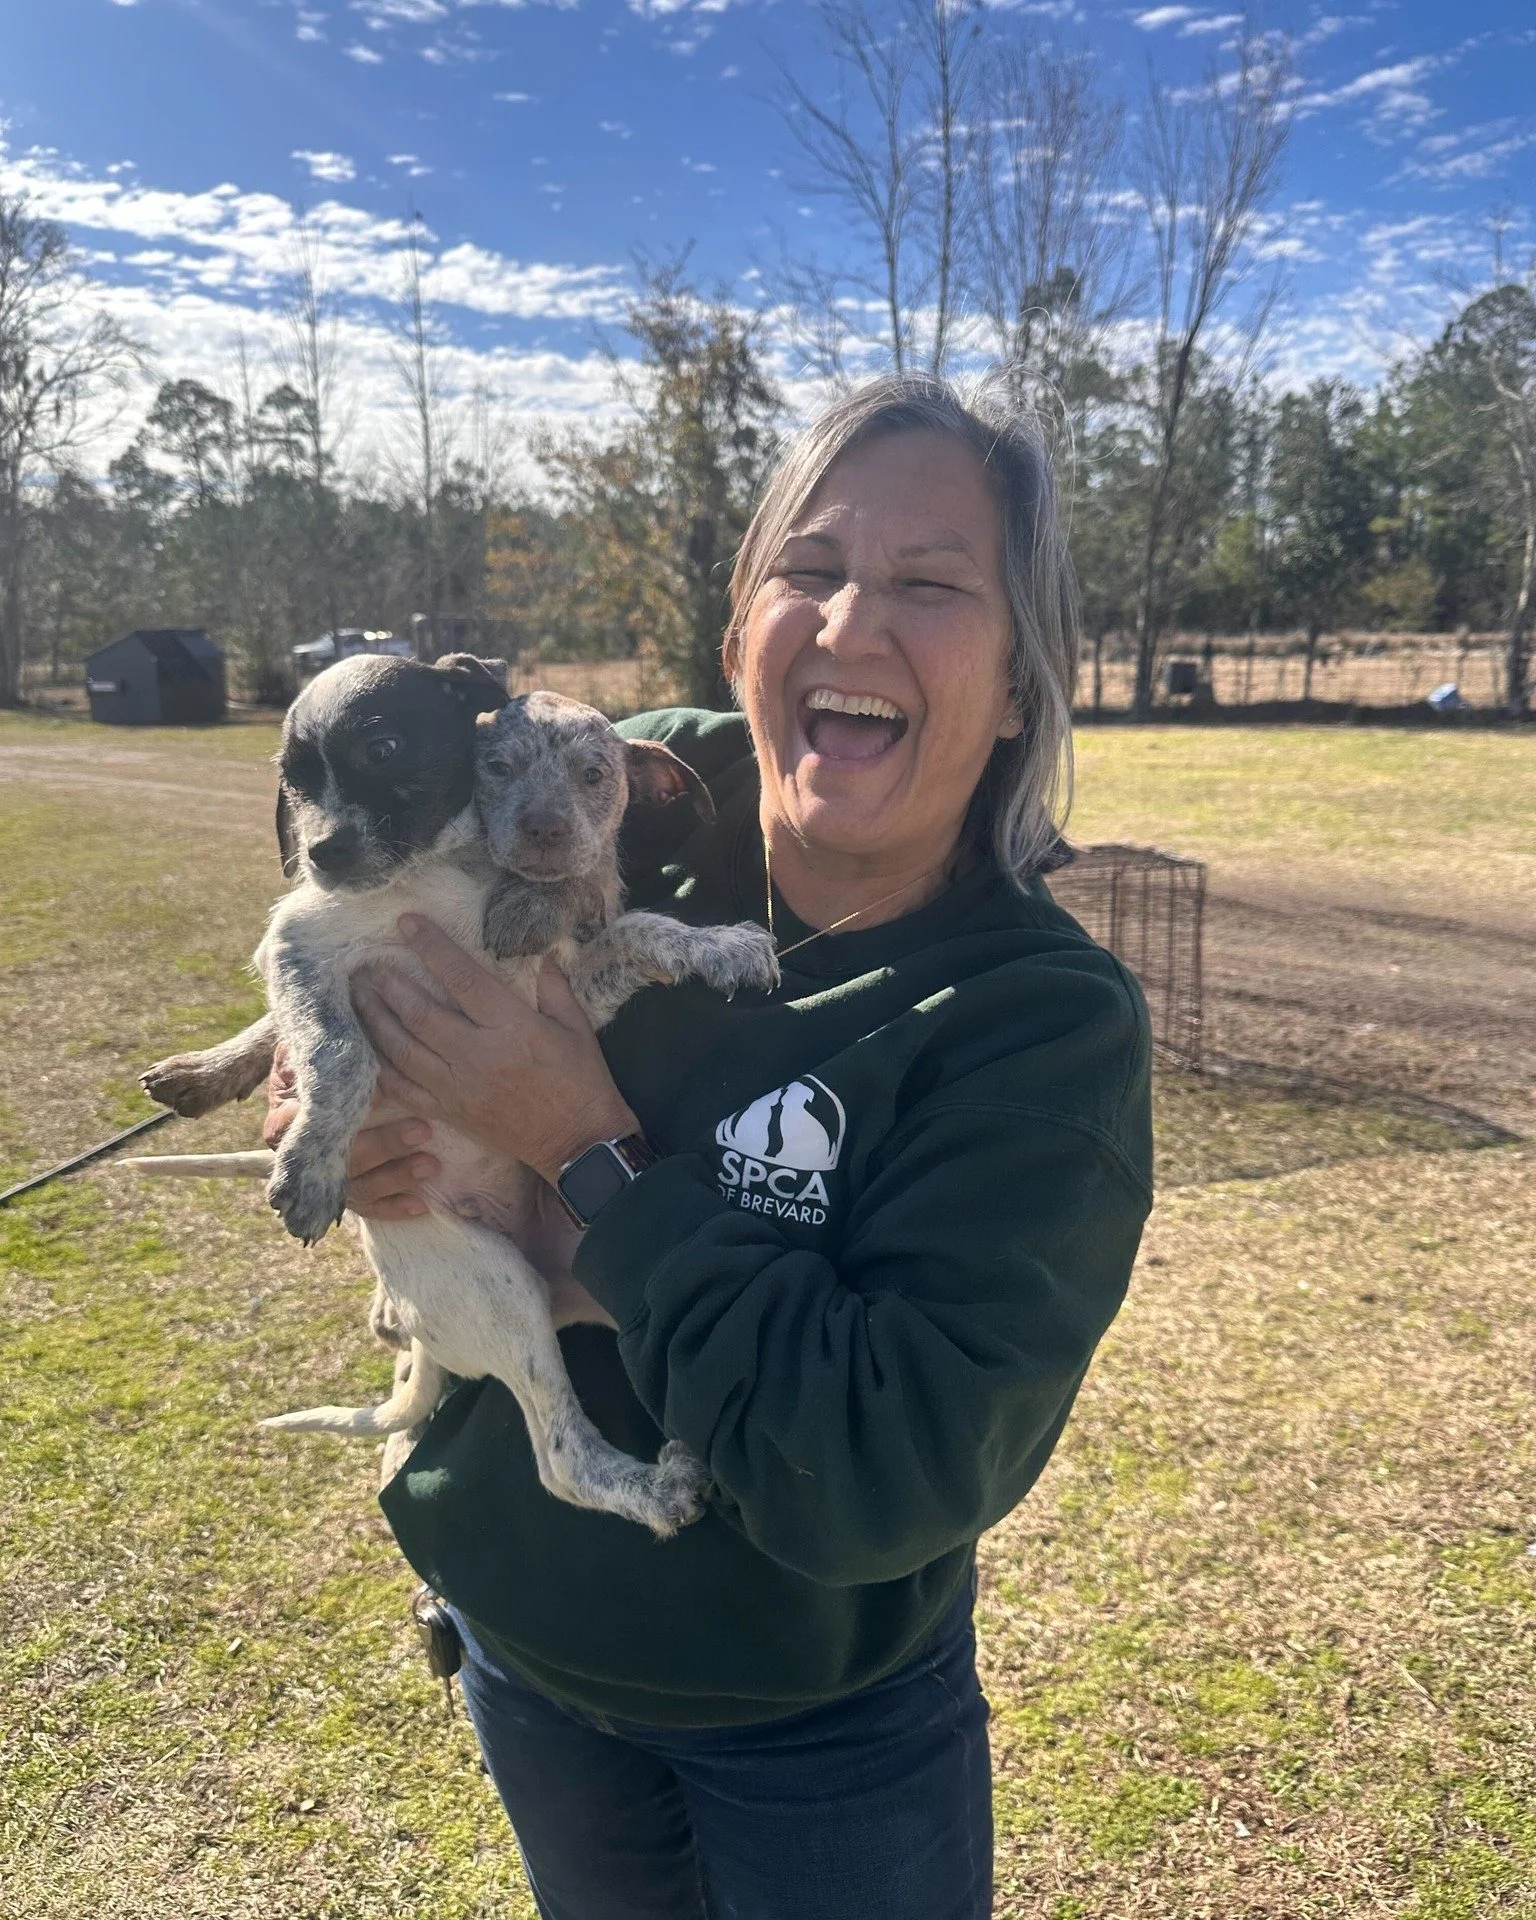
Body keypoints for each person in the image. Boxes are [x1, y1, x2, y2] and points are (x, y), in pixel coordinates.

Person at [266, 373, 1153, 1919]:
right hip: (518, 1640)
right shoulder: (615, 792)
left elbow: (879, 1468)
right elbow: (344, 906)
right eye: (810, 568)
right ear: (743, 631)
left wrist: (579, 1158)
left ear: (1021, 682)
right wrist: (328, 1103)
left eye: (932, 583)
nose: (851, 622)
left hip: (818, 1728)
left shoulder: (1040, 1023)